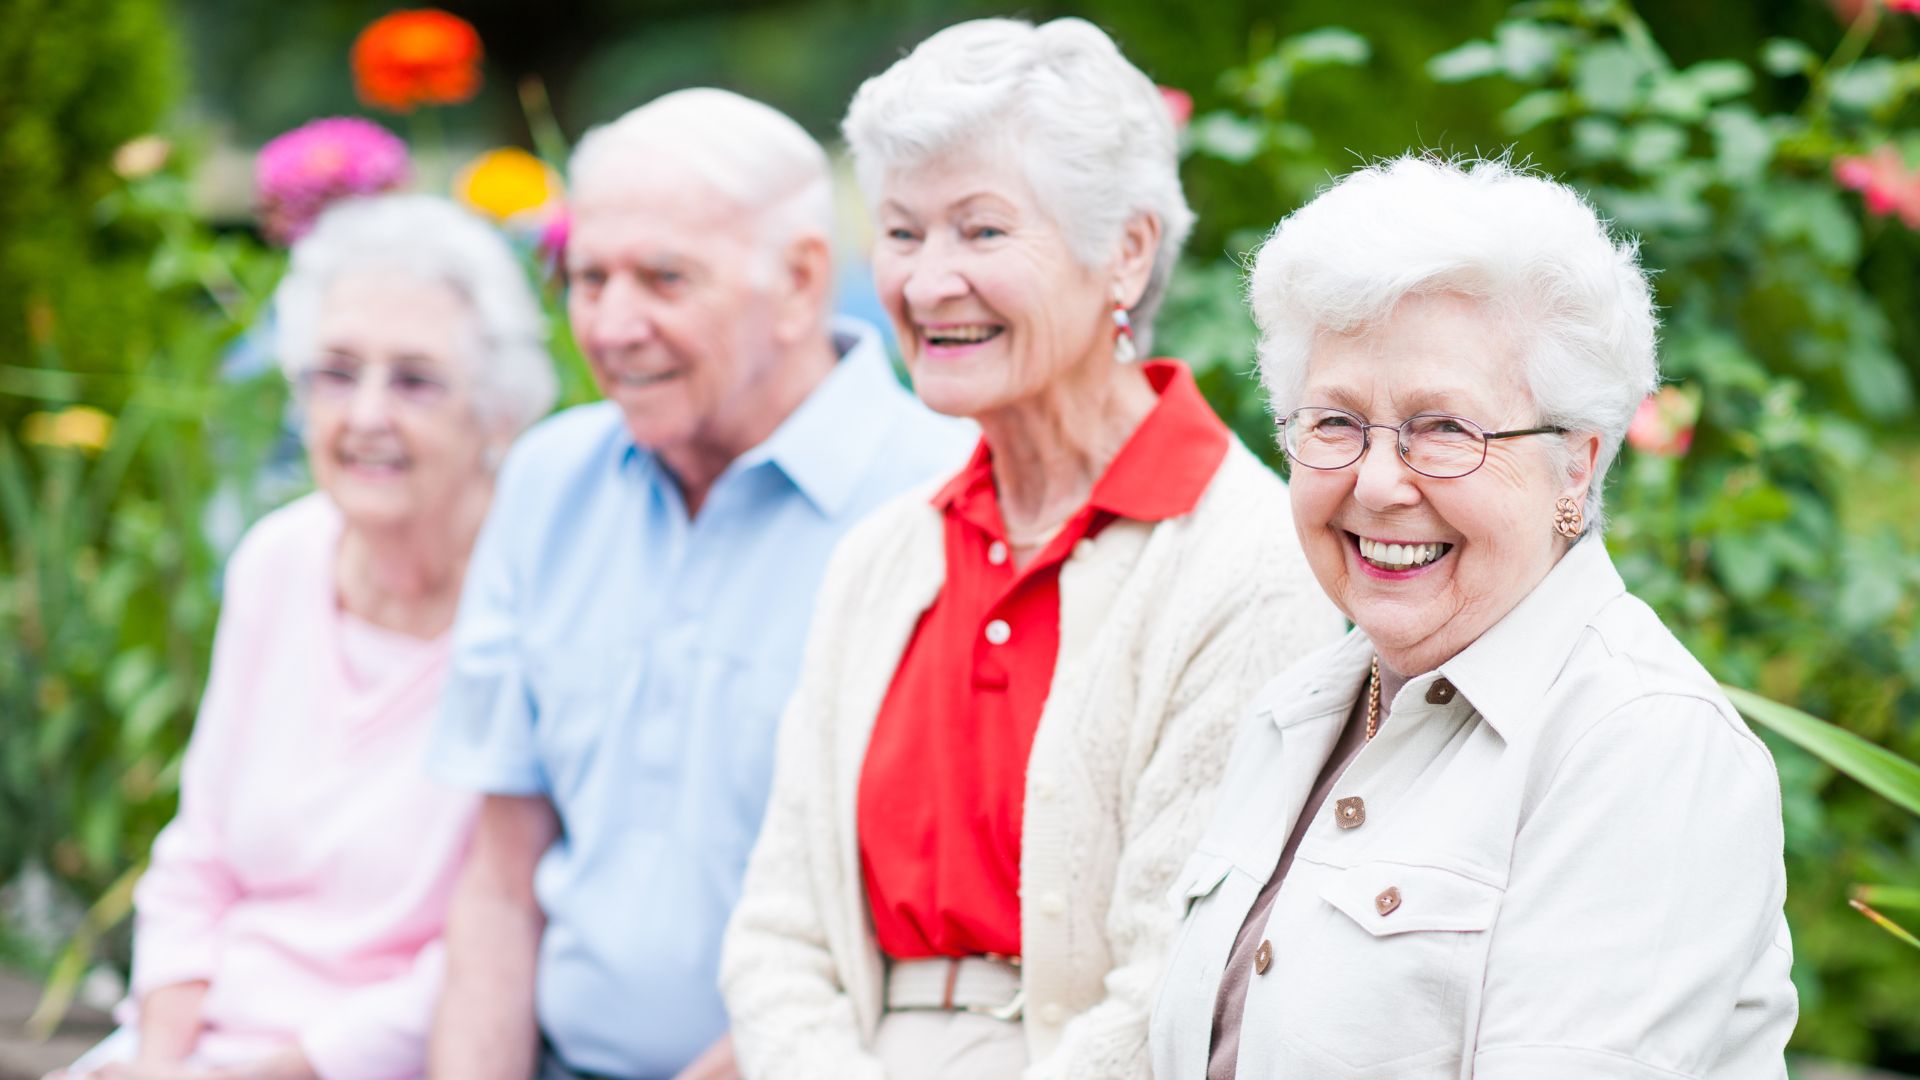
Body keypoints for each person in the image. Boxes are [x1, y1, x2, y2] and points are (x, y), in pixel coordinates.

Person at [719, 19, 1343, 1079]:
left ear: (1128, 250)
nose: (924, 284)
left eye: (982, 231)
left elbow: (1177, 980)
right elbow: (778, 933)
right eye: (904, 233)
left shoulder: (1243, 559)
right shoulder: (880, 557)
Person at [1148, 155, 1798, 1079]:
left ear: (1578, 463)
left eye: (1444, 429)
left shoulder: (1642, 747)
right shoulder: (1296, 711)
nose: (1376, 484)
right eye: (1333, 422)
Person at [423, 89, 972, 1080]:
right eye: (587, 278)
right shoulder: (550, 481)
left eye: (663, 279)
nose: (611, 325)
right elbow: (499, 880)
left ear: (803, 280)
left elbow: (923, 937)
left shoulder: (947, 499)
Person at [50, 194, 557, 1080]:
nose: (365, 416)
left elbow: (507, 937)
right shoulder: (278, 562)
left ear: (497, 414)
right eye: (335, 372)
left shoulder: (538, 605)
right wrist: (158, 1060)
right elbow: (196, 858)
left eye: (415, 380)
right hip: (191, 1046)